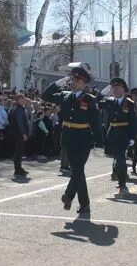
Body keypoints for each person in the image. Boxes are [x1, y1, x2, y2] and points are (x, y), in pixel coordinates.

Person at [42, 66, 102, 214]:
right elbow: (45, 95)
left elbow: (95, 122)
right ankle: (85, 204)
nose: (74, 82)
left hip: (83, 139)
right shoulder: (64, 95)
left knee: (77, 170)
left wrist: (99, 142)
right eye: (73, 79)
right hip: (68, 138)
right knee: (78, 172)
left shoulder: (90, 100)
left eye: (77, 80)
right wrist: (59, 82)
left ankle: (68, 195)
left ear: (84, 83)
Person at [99, 78, 137, 194]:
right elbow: (95, 102)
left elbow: (133, 121)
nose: (115, 90)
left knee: (120, 158)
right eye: (114, 88)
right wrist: (103, 93)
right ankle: (117, 174)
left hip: (123, 134)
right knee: (116, 157)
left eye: (118, 88)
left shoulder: (129, 103)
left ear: (123, 90)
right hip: (112, 133)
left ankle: (122, 185)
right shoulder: (109, 101)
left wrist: (132, 137)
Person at [10, 94, 30, 177]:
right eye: (23, 99)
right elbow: (20, 123)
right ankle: (17, 169)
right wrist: (23, 133)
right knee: (18, 151)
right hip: (19, 133)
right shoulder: (18, 109)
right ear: (18, 100)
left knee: (20, 151)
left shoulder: (20, 108)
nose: (25, 100)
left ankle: (19, 167)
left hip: (18, 133)